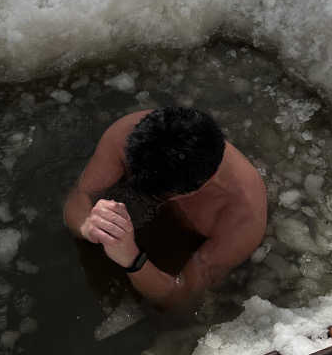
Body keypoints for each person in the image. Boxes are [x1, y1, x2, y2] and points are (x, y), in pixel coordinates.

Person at [63, 106, 267, 311]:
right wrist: (89, 227)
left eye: (157, 196)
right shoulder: (128, 133)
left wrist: (133, 259)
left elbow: (182, 297)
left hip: (177, 248)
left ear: (200, 187)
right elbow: (80, 196)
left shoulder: (243, 216)